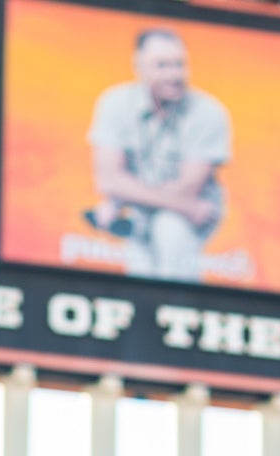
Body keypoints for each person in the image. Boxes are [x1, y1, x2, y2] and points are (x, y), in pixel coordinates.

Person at [86, 28, 231, 283]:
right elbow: (108, 180)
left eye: (179, 65)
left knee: (169, 229)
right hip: (150, 211)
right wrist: (120, 201)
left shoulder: (208, 112)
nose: (174, 75)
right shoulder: (114, 103)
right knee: (139, 267)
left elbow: (189, 189)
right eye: (162, 65)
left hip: (187, 215)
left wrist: (121, 199)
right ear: (138, 65)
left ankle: (182, 312)